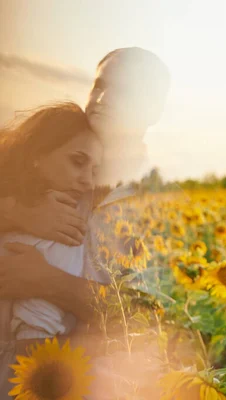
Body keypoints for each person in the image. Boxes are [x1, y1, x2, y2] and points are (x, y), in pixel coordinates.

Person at [0, 102, 103, 397]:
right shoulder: (59, 227)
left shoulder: (64, 226)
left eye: (95, 169)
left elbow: (34, 339)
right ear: (36, 155)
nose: (87, 180)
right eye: (77, 161)